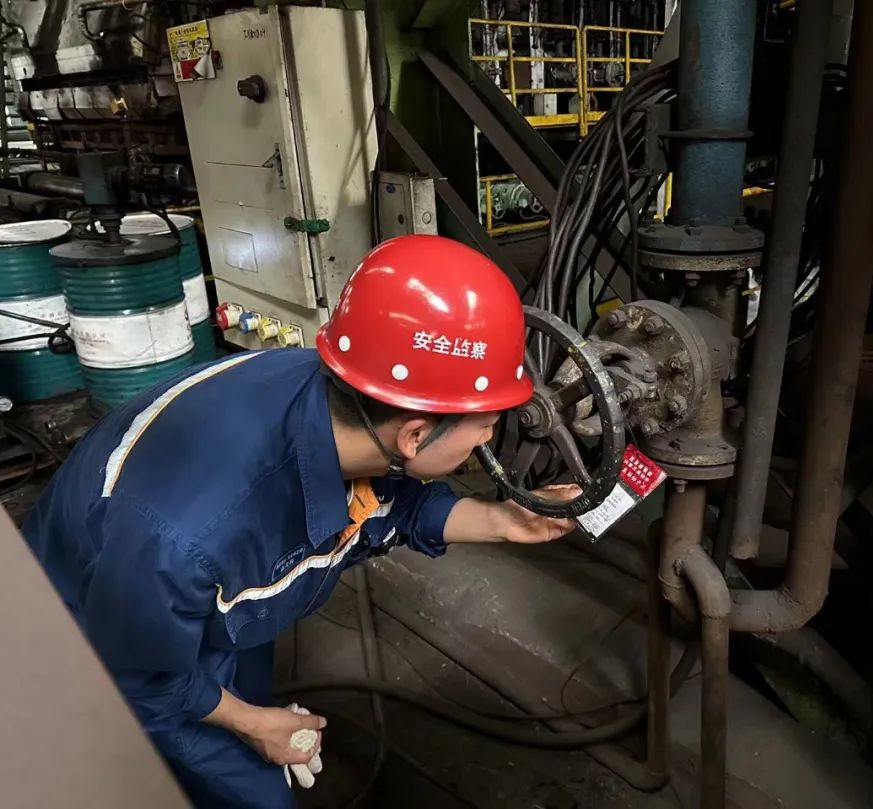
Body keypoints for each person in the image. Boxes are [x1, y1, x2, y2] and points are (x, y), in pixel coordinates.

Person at [22, 235, 579, 809]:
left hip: (205, 602)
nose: (490, 436)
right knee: (256, 796)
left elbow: (391, 504)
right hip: (105, 642)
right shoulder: (186, 539)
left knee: (243, 665)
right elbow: (144, 676)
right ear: (415, 435)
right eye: (486, 424)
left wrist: (504, 521)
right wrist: (253, 724)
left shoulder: (341, 398)